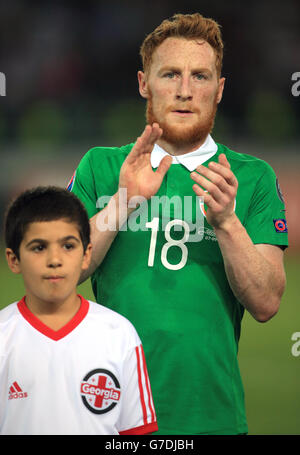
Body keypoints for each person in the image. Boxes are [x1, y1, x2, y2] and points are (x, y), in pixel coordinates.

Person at [68, 13, 288, 435]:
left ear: (219, 90)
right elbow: (64, 272)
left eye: (200, 77)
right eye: (170, 74)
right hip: (110, 414)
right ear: (143, 83)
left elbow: (266, 303)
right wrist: (124, 200)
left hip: (210, 418)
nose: (185, 91)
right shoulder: (101, 165)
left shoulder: (250, 176)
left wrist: (226, 222)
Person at [0, 186, 157, 435]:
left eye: (68, 246)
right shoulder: (4, 337)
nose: (55, 259)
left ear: (86, 255)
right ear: (14, 259)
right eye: (39, 247)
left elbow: (134, 434)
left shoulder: (119, 334)